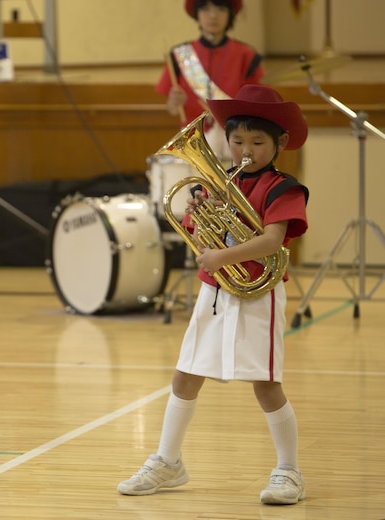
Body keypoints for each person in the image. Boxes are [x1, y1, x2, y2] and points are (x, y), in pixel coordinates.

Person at [117, 84, 309, 505]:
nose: (246, 149)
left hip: (261, 294)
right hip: (217, 292)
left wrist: (223, 254)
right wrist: (195, 216)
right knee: (186, 374)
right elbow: (198, 232)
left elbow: (272, 241)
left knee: (266, 384)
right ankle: (168, 461)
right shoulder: (220, 183)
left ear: (279, 143)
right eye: (237, 140)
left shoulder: (284, 188)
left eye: (258, 142)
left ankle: (289, 471)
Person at [156, 0, 264, 160]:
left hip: (234, 144)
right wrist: (173, 102)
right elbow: (172, 109)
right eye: (205, 9)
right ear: (197, 14)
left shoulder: (246, 55)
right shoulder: (181, 55)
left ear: (230, 14)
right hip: (191, 143)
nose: (213, 16)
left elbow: (257, 107)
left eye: (220, 8)